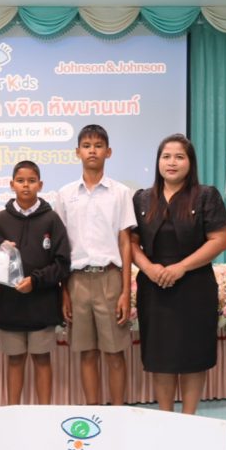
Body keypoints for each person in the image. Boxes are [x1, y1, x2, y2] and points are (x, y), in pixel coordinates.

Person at [131, 134, 226, 414]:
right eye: (166, 156)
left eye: (179, 157)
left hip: (194, 286)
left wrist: (181, 267)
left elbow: (219, 240)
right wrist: (149, 268)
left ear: (190, 162)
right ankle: (166, 418)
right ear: (158, 162)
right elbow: (131, 242)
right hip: (154, 286)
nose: (171, 162)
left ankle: (189, 418)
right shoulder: (142, 198)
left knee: (192, 356)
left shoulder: (206, 195)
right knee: (160, 356)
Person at [55, 124, 136, 406]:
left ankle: (118, 411)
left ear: (108, 152)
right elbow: (60, 247)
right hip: (76, 281)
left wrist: (126, 291)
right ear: (77, 152)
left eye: (98, 146)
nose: (92, 151)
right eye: (87, 146)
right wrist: (64, 291)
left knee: (114, 352)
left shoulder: (120, 192)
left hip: (110, 279)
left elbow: (125, 242)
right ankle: (93, 413)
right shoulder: (65, 194)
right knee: (87, 352)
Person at [0, 161, 71, 404]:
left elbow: (62, 263)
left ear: (40, 185)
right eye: (21, 181)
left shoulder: (51, 219)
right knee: (15, 360)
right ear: (11, 184)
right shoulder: (0, 219)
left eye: (32, 181)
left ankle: (43, 413)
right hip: (11, 304)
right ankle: (14, 412)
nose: (26, 185)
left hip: (42, 304)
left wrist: (35, 281)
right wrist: (0, 252)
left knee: (42, 359)